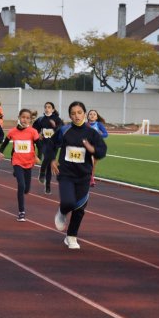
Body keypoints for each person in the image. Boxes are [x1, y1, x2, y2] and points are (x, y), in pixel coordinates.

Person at [52, 101, 107, 249]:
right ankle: (63, 211)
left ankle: (71, 236)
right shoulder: (64, 130)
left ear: (84, 113)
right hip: (66, 174)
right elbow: (51, 144)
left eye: (79, 112)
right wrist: (52, 159)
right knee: (69, 202)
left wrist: (92, 149)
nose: (76, 116)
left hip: (83, 176)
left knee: (79, 208)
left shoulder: (92, 133)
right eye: (73, 113)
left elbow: (102, 151)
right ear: (69, 115)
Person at [0, 109, 41, 221]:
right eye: (23, 117)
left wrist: (38, 157)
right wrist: (1, 152)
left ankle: (18, 175)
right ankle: (21, 211)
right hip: (17, 161)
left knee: (26, 189)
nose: (25, 119)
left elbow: (39, 145)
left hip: (29, 162)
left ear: (30, 120)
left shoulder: (33, 132)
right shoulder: (13, 131)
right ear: (19, 117)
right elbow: (5, 143)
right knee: (21, 186)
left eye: (27, 118)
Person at [32, 102, 63, 194]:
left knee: (50, 164)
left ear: (53, 110)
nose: (47, 109)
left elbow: (61, 129)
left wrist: (55, 126)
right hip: (44, 143)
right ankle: (42, 173)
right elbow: (34, 130)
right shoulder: (41, 119)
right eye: (45, 107)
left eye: (49, 107)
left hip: (54, 144)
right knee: (47, 158)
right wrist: (38, 134)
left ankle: (48, 185)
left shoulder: (57, 119)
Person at [87, 109, 108, 187]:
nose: (92, 115)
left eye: (94, 114)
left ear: (96, 117)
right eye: (90, 114)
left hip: (96, 147)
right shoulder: (85, 124)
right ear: (88, 116)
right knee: (87, 163)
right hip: (86, 146)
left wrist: (98, 135)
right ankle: (90, 179)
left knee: (93, 164)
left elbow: (106, 134)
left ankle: (91, 179)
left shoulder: (99, 124)